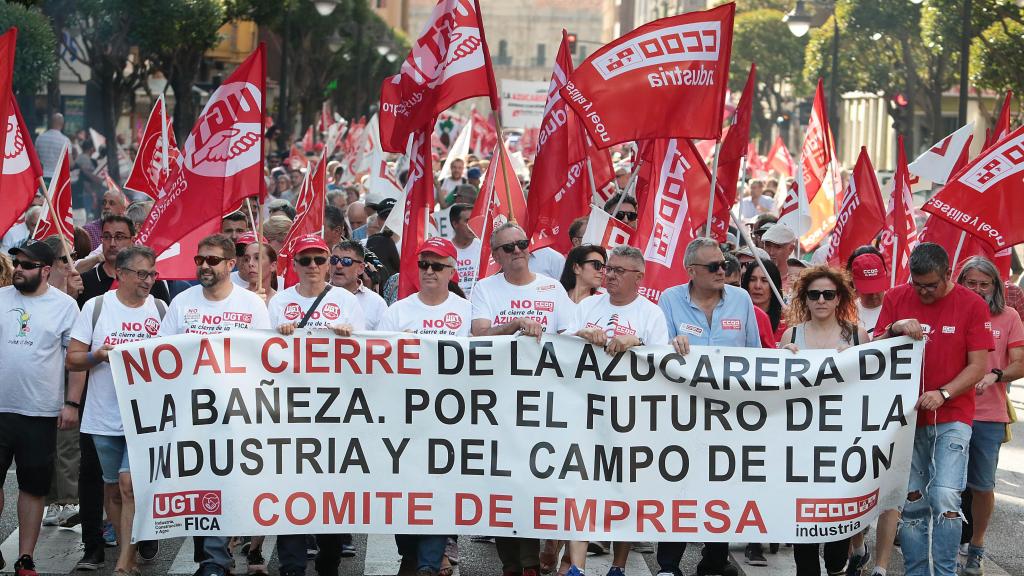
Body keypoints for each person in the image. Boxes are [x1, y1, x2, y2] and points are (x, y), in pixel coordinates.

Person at [874, 243, 991, 576]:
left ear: (948, 275)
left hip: (954, 416)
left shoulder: (972, 304)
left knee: (945, 496)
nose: (923, 292)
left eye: (931, 285)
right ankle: (916, 571)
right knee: (912, 501)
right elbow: (873, 349)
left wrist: (943, 392)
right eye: (917, 284)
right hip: (906, 418)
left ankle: (944, 572)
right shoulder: (896, 297)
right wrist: (894, 328)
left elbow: (978, 365)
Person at [158, 234, 271, 576]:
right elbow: (161, 353)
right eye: (199, 260)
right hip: (192, 412)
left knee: (229, 484)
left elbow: (263, 359)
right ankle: (211, 557)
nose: (203, 266)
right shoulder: (182, 302)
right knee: (200, 485)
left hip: (237, 413)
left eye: (212, 260)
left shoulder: (252, 305)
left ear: (230, 264)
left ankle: (216, 558)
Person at [471, 223, 574, 576]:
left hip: (542, 404)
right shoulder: (485, 288)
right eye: (508, 247)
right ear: (495, 255)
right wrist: (514, 325)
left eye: (521, 244)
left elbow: (572, 341)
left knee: (528, 482)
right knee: (501, 484)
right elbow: (479, 335)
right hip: (497, 402)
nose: (517, 251)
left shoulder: (552, 288)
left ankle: (529, 564)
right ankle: (511, 565)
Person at [655, 237, 760, 576]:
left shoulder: (741, 300)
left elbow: (756, 354)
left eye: (726, 265)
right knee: (679, 484)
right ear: (691, 271)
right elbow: (656, 354)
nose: (722, 271)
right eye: (714, 266)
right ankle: (669, 563)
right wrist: (671, 344)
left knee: (723, 484)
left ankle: (714, 559)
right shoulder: (669, 300)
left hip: (730, 415)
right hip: (683, 413)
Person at [569, 245, 669, 576]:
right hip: (586, 412)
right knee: (581, 487)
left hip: (631, 416)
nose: (609, 275)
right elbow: (562, 348)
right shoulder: (586, 305)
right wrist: (583, 335)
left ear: (639, 278)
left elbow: (661, 363)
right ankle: (576, 568)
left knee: (625, 492)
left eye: (618, 271)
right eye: (607, 269)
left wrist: (635, 342)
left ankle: (618, 565)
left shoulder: (651, 314)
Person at [267, 234, 362, 576]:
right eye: (305, 260)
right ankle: (291, 566)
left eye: (320, 260)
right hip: (289, 413)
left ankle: (329, 559)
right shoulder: (278, 302)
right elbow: (260, 356)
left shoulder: (346, 301)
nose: (312, 267)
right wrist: (275, 336)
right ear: (293, 265)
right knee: (289, 488)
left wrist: (351, 335)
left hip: (335, 413)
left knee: (329, 492)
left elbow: (366, 353)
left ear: (329, 264)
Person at [66, 246, 164, 576]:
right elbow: (73, 359)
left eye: (152, 274)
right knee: (112, 488)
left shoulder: (163, 311)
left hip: (146, 420)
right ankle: (128, 549)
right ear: (120, 274)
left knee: (128, 484)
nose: (148, 280)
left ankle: (124, 561)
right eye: (141, 274)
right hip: (103, 418)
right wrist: (98, 355)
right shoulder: (96, 308)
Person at [378, 237, 468, 576]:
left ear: (452, 271)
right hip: (404, 418)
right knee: (405, 492)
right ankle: (410, 554)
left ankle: (429, 561)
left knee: (438, 491)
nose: (428, 271)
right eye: (423, 265)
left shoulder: (466, 311)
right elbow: (377, 360)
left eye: (437, 265)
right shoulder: (398, 311)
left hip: (449, 420)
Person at [779, 266, 869, 576]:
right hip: (800, 443)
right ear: (804, 298)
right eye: (813, 294)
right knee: (802, 525)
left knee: (835, 528)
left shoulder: (857, 335)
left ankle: (841, 561)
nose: (820, 300)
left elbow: (873, 386)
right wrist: (782, 357)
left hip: (841, 442)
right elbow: (776, 389)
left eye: (828, 294)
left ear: (839, 298)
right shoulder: (792, 335)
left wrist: (854, 362)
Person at [0, 240, 79, 575]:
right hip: (1, 409)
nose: (19, 269)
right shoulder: (0, 299)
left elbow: (75, 362)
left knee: (32, 488)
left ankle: (25, 557)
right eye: (17, 263)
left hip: (40, 412)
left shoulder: (65, 307)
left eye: (28, 265)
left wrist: (71, 403)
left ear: (46, 270)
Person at [955, 257, 1024, 576]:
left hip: (989, 416)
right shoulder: (952, 312)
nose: (979, 290)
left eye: (985, 284)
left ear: (996, 286)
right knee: (947, 485)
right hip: (950, 411)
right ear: (960, 282)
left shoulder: (1008, 316)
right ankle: (949, 543)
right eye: (971, 283)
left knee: (982, 485)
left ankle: (976, 547)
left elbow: (1020, 363)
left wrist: (996, 375)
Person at [331, 240, 387, 330]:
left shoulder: (376, 303)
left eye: (346, 261)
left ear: (361, 268)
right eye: (334, 260)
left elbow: (384, 340)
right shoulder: (315, 295)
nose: (338, 265)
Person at [741, 259, 784, 344]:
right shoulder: (736, 319)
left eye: (764, 280)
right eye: (752, 279)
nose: (757, 286)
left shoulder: (786, 323)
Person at [848, 249, 888, 334]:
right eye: (868, 291)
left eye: (877, 288)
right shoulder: (848, 313)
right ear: (854, 284)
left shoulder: (896, 305)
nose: (874, 295)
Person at [233, 233, 278, 301]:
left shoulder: (282, 301)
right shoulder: (235, 299)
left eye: (257, 258)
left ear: (273, 266)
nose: (250, 263)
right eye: (246, 259)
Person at [450, 204, 481, 298]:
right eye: (467, 221)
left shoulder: (484, 247)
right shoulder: (445, 249)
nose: (472, 225)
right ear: (455, 224)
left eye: (473, 220)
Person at [36, 113, 72, 184]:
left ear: (50, 123)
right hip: (57, 179)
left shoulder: (40, 138)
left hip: (42, 177)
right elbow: (70, 163)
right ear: (62, 124)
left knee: (43, 195)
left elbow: (35, 159)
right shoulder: (65, 140)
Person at [760, 223, 796, 291]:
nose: (771, 252)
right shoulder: (756, 277)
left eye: (778, 247)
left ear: (791, 249)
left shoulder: (798, 280)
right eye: (768, 245)